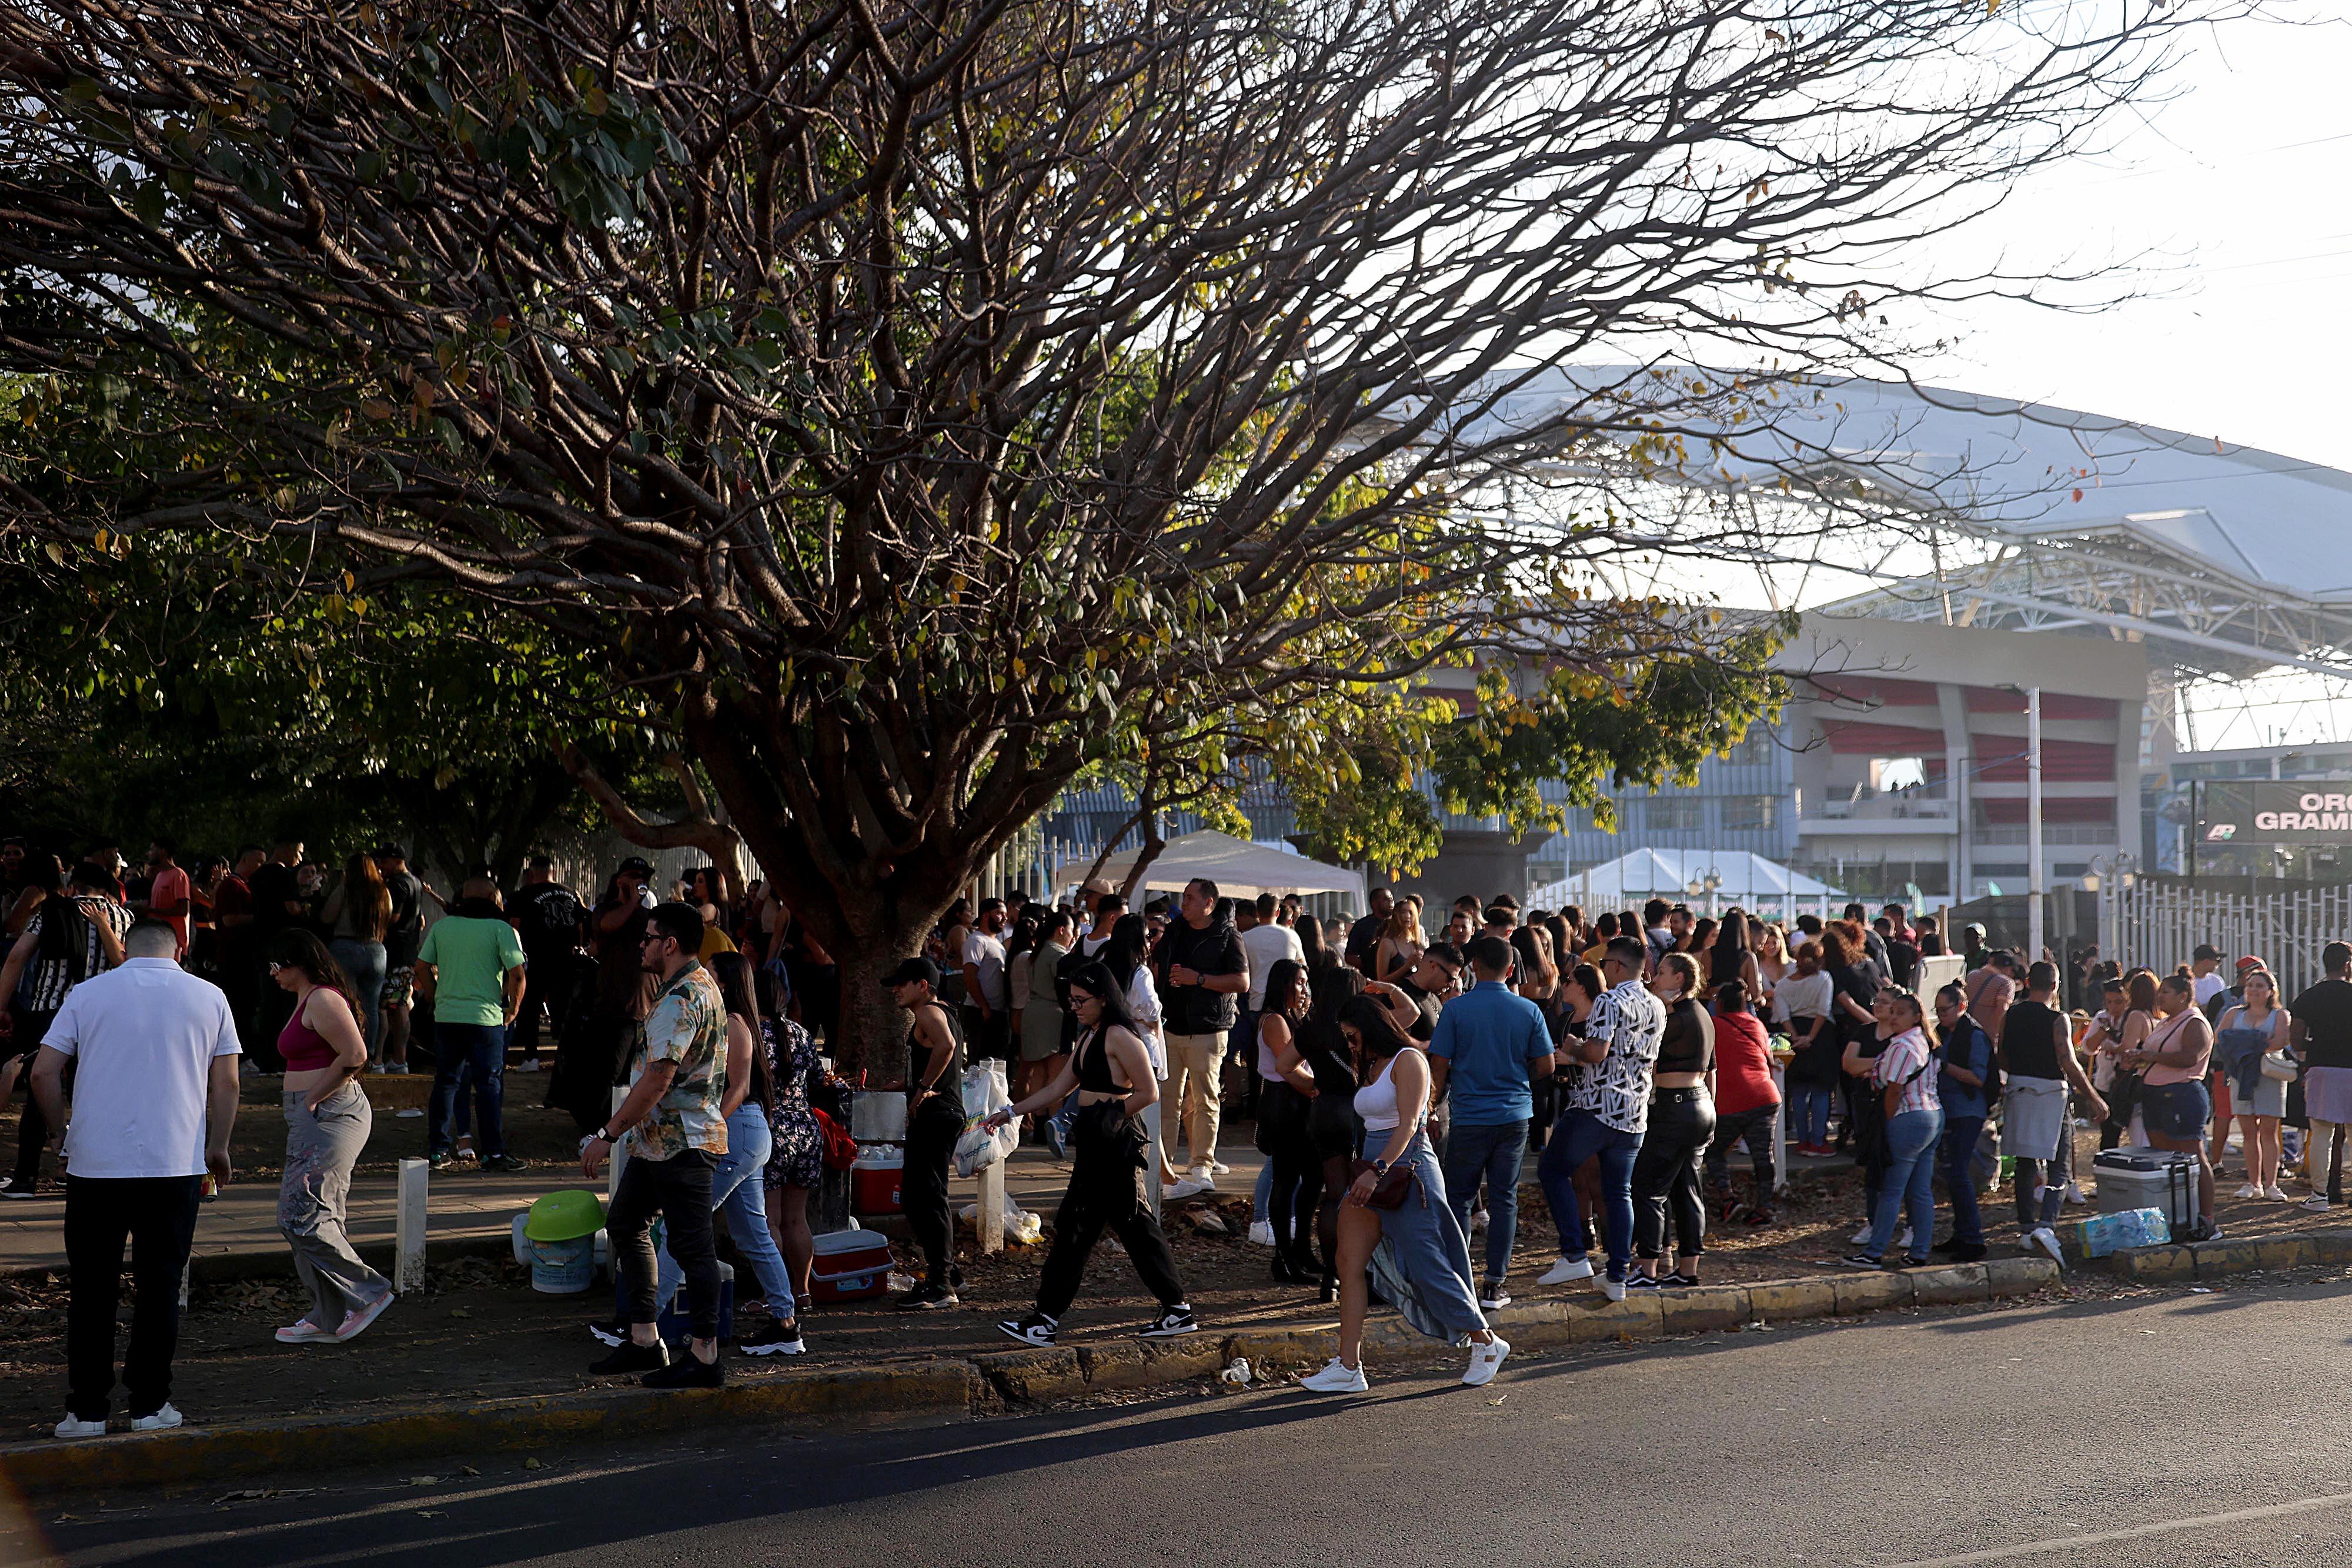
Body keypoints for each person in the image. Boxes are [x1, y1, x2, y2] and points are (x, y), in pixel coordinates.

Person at [35, 920, 239, 1436]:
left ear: (125, 947)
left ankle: (85, 1409)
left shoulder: (87, 993)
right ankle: (150, 1404)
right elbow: (228, 1080)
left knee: (92, 1288)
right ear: (181, 948)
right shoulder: (210, 996)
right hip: (174, 1163)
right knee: (160, 1286)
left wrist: (60, 1134)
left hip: (96, 1165)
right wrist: (217, 1145)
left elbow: (42, 1072)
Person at [1297, 995, 1508, 1393]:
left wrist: (1376, 1170)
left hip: (1405, 1171)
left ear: (1370, 1026)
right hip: (1374, 1173)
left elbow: (1411, 1123)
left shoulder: (1408, 1059)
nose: (1350, 1044)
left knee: (1428, 1264)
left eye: (1353, 1035)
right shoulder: (1373, 1064)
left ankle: (1486, 1342)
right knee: (1348, 1261)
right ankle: (1348, 1366)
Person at [596, 952, 804, 1356]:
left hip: (737, 1131)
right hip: (747, 1132)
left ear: (725, 982)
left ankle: (645, 1323)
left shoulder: (736, 1023)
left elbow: (738, 1087)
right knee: (752, 1232)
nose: (702, 975)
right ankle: (785, 1322)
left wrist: (706, 1126)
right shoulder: (733, 1020)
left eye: (710, 969)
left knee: (683, 1231)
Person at [988, 961, 1197, 1346]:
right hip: (1094, 1143)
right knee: (1082, 1229)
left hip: (1116, 1143)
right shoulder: (1090, 1036)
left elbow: (1149, 1090)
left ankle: (1050, 1319)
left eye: (1082, 1000)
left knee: (1123, 1227)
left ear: (1104, 998)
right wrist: (1011, 1110)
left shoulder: (1120, 1035)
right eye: (1072, 1000)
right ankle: (1050, 1318)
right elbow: (1057, 1088)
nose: (1076, 1007)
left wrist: (1113, 1115)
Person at [580, 902, 730, 1387]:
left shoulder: (679, 999)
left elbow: (658, 1078)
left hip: (682, 1143)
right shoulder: (700, 985)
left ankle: (705, 1358)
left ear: (669, 944)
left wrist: (608, 1134)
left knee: (693, 1249)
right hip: (662, 1143)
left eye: (646, 937)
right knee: (625, 1223)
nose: (640, 944)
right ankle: (645, 1340)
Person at [264, 931, 396, 1345]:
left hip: (330, 1111)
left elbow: (356, 1055)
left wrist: (312, 1100)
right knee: (312, 1215)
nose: (273, 974)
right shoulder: (307, 1000)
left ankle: (369, 1294)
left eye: (278, 965)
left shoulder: (323, 998)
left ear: (298, 962)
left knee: (301, 1215)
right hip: (313, 1111)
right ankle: (327, 1315)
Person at [1429, 935, 1553, 1310]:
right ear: (1512, 970)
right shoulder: (1529, 1011)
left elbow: (1438, 1068)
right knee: (1504, 1199)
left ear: (1474, 967)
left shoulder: (1455, 1010)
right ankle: (1494, 1284)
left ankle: (1459, 1278)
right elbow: (1547, 1065)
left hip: (1468, 1116)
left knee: (1459, 1199)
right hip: (1514, 1115)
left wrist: (1431, 1109)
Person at [1536, 935, 1665, 1299]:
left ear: (1618, 967)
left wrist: (1573, 1047)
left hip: (1598, 1105)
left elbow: (1595, 1052)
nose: (1604, 969)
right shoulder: (1657, 1005)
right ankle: (1617, 1275)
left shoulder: (1610, 1001)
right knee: (1618, 1191)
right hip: (1635, 1111)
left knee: (1552, 1168)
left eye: (1607, 963)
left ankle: (1574, 1253)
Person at [0, 862, 131, 1198]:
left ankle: (25, 1179)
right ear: (108, 889)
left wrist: (2, 1005)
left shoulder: (50, 912)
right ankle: (83, 1172)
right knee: (91, 1094)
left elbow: (17, 958)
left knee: (39, 1092)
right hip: (103, 1016)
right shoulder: (124, 918)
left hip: (50, 1012)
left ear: (73, 886)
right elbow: (125, 962)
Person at [416, 878, 529, 1172]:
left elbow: (422, 967)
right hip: (486, 1019)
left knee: (446, 1082)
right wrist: (513, 1010)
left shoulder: (442, 927)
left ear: (463, 897)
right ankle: (493, 1153)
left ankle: (438, 1151)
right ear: (494, 897)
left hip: (448, 1017)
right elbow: (517, 974)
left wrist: (433, 995)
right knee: (489, 1085)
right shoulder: (501, 930)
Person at [1999, 961, 2107, 1260]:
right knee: (2059, 1163)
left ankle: (2025, 1227)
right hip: (2051, 1093)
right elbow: (2068, 1061)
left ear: (2029, 982)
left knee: (2025, 1162)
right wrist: (2094, 1097)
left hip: (2019, 1088)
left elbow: (2002, 1056)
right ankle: (2047, 1224)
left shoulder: (2011, 1014)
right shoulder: (2059, 1019)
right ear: (2056, 986)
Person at [887, 956, 970, 1309]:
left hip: (936, 1114)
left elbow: (947, 1046)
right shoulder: (944, 1011)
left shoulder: (928, 1012)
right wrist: (907, 1085)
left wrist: (922, 1088)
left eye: (902, 984)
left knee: (927, 1197)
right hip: (940, 1112)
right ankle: (948, 1275)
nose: (896, 990)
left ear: (923, 985)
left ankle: (941, 1285)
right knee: (918, 1197)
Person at [1841, 988, 1942, 1270]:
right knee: (1920, 1190)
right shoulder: (1925, 1040)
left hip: (1908, 1117)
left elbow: (1894, 1089)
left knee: (1891, 1190)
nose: (1894, 1018)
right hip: (1932, 1115)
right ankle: (1919, 1251)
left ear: (1915, 1016)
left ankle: (1874, 1253)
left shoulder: (1901, 1046)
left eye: (1900, 1013)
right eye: (1893, 1012)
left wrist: (1886, 1122)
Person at [1154, 878, 1247, 1185]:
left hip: (1208, 1029)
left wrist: (1199, 979)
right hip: (1172, 1027)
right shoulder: (1175, 931)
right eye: (1185, 896)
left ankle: (1201, 1162)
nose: (1186, 902)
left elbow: (1241, 982)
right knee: (1169, 1100)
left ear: (1209, 903)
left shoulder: (1227, 935)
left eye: (1191, 897)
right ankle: (1163, 1162)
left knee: (1205, 1099)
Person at [1629, 952, 1713, 1288]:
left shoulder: (1677, 1017)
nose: (1654, 977)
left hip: (1674, 1108)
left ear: (1679, 979)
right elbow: (1712, 1068)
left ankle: (1648, 1268)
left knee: (1649, 1189)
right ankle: (1688, 1268)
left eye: (1662, 972)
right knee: (1688, 1191)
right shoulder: (1704, 1014)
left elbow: (1641, 1048)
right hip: (1700, 1106)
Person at [2126, 971, 2221, 1241]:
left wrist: (2150, 1056)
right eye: (2160, 991)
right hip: (2155, 1095)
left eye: (2166, 992)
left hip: (2182, 1095)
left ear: (2183, 997)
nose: (2160, 996)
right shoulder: (2166, 1022)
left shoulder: (2195, 1022)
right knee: (2164, 1157)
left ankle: (2207, 1220)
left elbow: (2191, 1057)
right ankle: (2173, 1217)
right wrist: (2140, 1060)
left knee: (2193, 1154)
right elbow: (2159, 1056)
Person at [1252, 958, 1322, 1285]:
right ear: (1283, 985)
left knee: (1312, 1177)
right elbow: (1289, 1067)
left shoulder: (1296, 1017)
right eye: (1299, 982)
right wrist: (1319, 1090)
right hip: (1284, 1102)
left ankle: (1302, 1249)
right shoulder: (1274, 1020)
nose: (1304, 989)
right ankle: (1284, 1256)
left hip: (1301, 1101)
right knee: (1286, 1177)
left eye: (1307, 983)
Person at [1703, 979, 1780, 1228]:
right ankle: (1765, 1208)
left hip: (1732, 1100)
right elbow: (1768, 1059)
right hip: (1765, 1096)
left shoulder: (1712, 1026)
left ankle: (1728, 1198)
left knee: (1714, 1151)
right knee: (1763, 1155)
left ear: (1720, 1004)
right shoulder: (1757, 1024)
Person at [1929, 979, 1994, 1263]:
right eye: (1938, 1010)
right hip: (1946, 1108)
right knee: (1952, 1175)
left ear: (1962, 1006)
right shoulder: (1941, 1032)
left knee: (1958, 1172)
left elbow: (1978, 1078)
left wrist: (1944, 1066)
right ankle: (1962, 1233)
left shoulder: (1974, 1036)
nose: (1941, 1015)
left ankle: (1973, 1238)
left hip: (1968, 1109)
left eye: (1946, 1010)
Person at [2216, 968, 2291, 1201]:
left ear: (2271, 991)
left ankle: (2272, 1184)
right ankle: (2253, 1183)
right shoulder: (2233, 1013)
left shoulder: (2280, 1015)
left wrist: (2243, 1043)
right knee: (2249, 1131)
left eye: (2260, 986)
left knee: (2269, 1131)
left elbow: (2280, 1041)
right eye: (2250, 985)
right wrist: (2258, 1042)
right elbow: (2221, 1038)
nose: (2254, 990)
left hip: (2270, 1074)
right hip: (2241, 1074)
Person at [508, 854, 586, 1074]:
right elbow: (581, 925)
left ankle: (531, 1057)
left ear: (532, 873)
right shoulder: (571, 894)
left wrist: (516, 957)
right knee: (563, 1009)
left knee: (531, 1008)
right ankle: (564, 1058)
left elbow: (514, 927)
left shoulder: (523, 895)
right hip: (566, 960)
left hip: (536, 960)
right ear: (552, 872)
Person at [2289, 942, 2352, 1212]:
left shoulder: (2308, 997)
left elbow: (2297, 1042)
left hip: (2322, 1068)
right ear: (2348, 965)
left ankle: (2319, 1195)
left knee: (2321, 1134)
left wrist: (2315, 1043)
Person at [320, 851, 392, 1061]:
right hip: (375, 950)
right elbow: (389, 917)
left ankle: (346, 1049)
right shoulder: (382, 892)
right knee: (371, 1004)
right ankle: (368, 1053)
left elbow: (327, 917)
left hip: (345, 947)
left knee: (345, 1002)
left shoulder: (346, 890)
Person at [373, 844, 437, 1073]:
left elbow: (394, 916)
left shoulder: (397, 884)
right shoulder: (415, 883)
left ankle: (381, 1059)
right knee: (397, 1006)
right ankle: (399, 1060)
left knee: (386, 1006)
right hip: (407, 953)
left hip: (393, 955)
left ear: (397, 859)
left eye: (383, 862)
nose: (381, 867)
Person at [1013, 908, 1073, 1136]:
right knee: (1056, 1076)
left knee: (1037, 1073)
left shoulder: (1035, 953)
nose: (1072, 937)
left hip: (1033, 1012)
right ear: (1061, 930)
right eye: (1070, 931)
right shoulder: (1058, 954)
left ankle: (1038, 1123)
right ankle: (1055, 1124)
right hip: (1053, 1014)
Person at [960, 897, 1011, 1063]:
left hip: (998, 1012)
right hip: (981, 1012)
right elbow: (970, 976)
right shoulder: (976, 941)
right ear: (986, 915)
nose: (1005, 918)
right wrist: (984, 1007)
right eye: (999, 913)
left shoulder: (998, 943)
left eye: (1005, 914)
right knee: (979, 1063)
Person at [135, 838, 192, 961]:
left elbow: (183, 909)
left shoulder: (179, 875)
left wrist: (151, 910)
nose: (148, 854)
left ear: (163, 852)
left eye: (152, 850)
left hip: (174, 946)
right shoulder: (159, 875)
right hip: (156, 941)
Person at [1344, 887, 1395, 972]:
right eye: (1387, 899)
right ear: (1374, 903)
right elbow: (1350, 957)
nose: (1391, 903)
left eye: (1392, 899)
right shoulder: (1363, 926)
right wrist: (1370, 968)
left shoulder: (1398, 924)